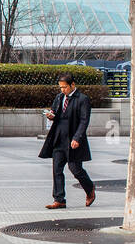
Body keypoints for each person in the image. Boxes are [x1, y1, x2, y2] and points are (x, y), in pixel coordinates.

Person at [38, 73, 94, 209]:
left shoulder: (82, 99)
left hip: (72, 140)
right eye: (61, 87)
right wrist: (51, 116)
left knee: (76, 169)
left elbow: (84, 120)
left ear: (72, 85)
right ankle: (59, 199)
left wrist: (77, 137)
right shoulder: (59, 97)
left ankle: (90, 188)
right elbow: (55, 112)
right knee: (57, 169)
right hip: (58, 138)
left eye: (65, 87)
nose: (63, 90)